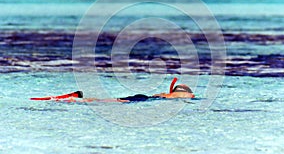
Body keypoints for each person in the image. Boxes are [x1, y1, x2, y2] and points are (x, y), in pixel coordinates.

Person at [30, 77, 195, 102]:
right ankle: (78, 98)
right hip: (141, 99)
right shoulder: (174, 95)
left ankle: (79, 96)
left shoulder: (164, 94)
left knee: (112, 101)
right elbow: (189, 95)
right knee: (112, 102)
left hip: (143, 98)